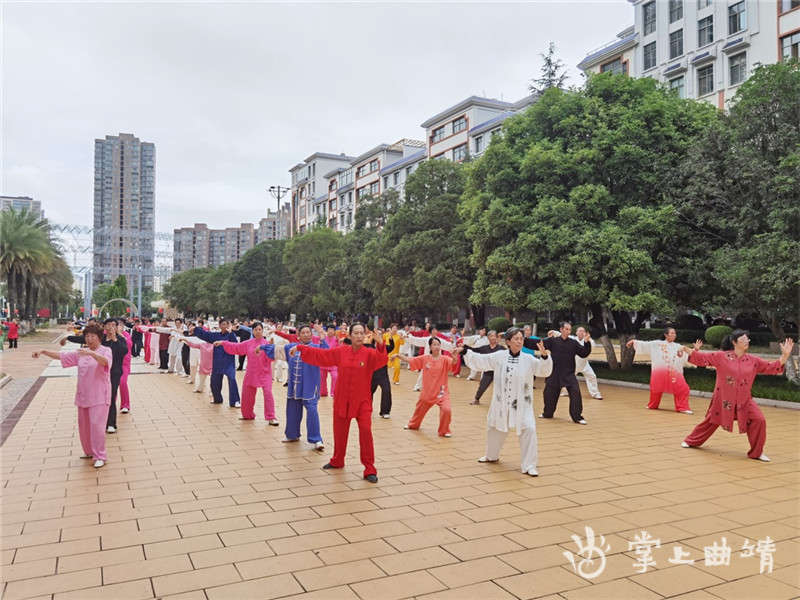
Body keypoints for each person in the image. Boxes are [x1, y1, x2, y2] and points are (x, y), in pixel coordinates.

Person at [290, 323, 388, 483]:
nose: (358, 336)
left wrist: (381, 344)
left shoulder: (369, 354)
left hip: (362, 400)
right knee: (340, 431)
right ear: (349, 335)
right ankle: (337, 460)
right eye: (355, 333)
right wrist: (301, 348)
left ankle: (369, 468)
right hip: (343, 398)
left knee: (365, 431)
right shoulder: (341, 351)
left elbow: (382, 360)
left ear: (365, 335)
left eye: (361, 333)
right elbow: (322, 355)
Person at [680, 331, 793, 461]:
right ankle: (691, 441)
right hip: (724, 400)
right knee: (711, 422)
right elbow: (701, 358)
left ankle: (756, 453)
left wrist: (785, 355)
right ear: (734, 342)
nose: (747, 341)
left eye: (748, 339)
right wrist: (684, 348)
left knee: (759, 420)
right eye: (743, 339)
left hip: (744, 401)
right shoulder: (721, 356)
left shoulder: (753, 360)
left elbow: (772, 367)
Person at [459, 327, 552, 476]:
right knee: (495, 427)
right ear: (508, 341)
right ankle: (491, 455)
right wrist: (465, 351)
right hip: (501, 402)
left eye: (521, 339)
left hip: (522, 403)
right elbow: (481, 360)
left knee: (529, 429)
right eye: (516, 339)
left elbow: (544, 371)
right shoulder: (499, 356)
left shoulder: (528, 359)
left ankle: (529, 465)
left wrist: (545, 356)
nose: (520, 341)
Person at [34, 323, 112, 468]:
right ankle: (89, 451)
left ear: (100, 338)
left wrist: (94, 354)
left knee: (96, 426)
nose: (89, 339)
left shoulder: (106, 350)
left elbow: (106, 363)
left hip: (100, 396)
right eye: (87, 336)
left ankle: (100, 455)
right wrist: (43, 350)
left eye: (92, 336)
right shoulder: (81, 352)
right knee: (84, 425)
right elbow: (61, 356)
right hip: (83, 395)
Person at [257, 324, 327, 450]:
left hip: (310, 386)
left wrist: (322, 337)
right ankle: (292, 435)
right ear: (298, 335)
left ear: (311, 334)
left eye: (308, 332)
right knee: (292, 410)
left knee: (312, 411)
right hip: (295, 386)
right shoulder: (290, 347)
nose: (306, 335)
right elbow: (275, 350)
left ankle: (316, 439)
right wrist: (262, 347)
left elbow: (327, 353)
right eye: (303, 333)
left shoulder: (316, 348)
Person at [64, 318, 129, 433]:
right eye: (108, 324)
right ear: (104, 327)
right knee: (101, 399)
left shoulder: (120, 339)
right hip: (100, 373)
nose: (110, 327)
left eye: (113, 325)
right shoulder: (101, 339)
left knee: (110, 396)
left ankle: (111, 423)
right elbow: (84, 338)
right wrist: (67, 338)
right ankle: (101, 421)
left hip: (114, 372)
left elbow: (124, 351)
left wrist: (114, 338)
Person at [215, 321, 278, 424]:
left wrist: (271, 349)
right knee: (247, 394)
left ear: (262, 331)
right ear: (252, 331)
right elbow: (236, 347)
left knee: (268, 394)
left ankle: (271, 417)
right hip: (251, 373)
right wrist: (223, 343)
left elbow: (272, 359)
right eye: (255, 330)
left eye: (259, 330)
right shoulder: (249, 343)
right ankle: (247, 415)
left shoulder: (266, 344)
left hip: (264, 373)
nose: (257, 332)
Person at [400, 336, 459, 437]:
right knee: (419, 410)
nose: (436, 347)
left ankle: (444, 430)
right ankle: (413, 424)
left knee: (446, 410)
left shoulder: (445, 359)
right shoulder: (425, 358)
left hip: (441, 392)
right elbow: (411, 360)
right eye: (434, 345)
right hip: (427, 392)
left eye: (438, 345)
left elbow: (452, 365)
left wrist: (454, 360)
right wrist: (398, 356)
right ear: (430, 347)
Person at [626, 327, 692, 413]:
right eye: (672, 333)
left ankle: (682, 407)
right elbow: (645, 344)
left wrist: (696, 350)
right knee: (656, 388)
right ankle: (653, 404)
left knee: (683, 388)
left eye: (675, 333)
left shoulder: (678, 346)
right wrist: (633, 342)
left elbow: (686, 356)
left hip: (674, 373)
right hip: (659, 372)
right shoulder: (657, 344)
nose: (674, 335)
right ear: (666, 334)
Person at [541, 321, 592, 424]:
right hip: (554, 373)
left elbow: (583, 353)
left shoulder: (573, 343)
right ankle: (547, 413)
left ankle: (577, 417)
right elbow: (539, 344)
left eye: (570, 329)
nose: (569, 331)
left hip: (568, 374)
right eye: (566, 329)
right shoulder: (553, 341)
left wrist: (587, 343)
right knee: (549, 394)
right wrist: (522, 340)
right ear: (561, 329)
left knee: (575, 392)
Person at [193, 318, 241, 407]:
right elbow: (206, 335)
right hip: (217, 362)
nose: (224, 326)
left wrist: (230, 333)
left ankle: (235, 401)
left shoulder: (231, 335)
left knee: (232, 379)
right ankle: (217, 399)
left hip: (228, 362)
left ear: (228, 325)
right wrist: (195, 329)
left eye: (226, 324)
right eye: (222, 324)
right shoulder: (216, 335)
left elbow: (235, 344)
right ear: (219, 326)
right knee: (214, 382)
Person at [466, 330, 505, 405]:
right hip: (488, 370)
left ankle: (503, 402)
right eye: (491, 336)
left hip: (500, 371)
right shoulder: (484, 348)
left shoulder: (501, 348)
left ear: (497, 337)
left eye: (494, 336)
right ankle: (476, 399)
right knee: (482, 385)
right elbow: (474, 350)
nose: (493, 338)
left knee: (503, 386)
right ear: (488, 338)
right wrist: (464, 346)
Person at [320, 324, 340, 398]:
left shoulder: (336, 339)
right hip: (323, 362)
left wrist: (339, 342)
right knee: (321, 377)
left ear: (335, 331)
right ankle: (323, 392)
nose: (330, 331)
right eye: (329, 329)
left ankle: (334, 393)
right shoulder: (323, 339)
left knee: (335, 376)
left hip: (333, 362)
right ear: (326, 330)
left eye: (332, 329)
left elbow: (339, 349)